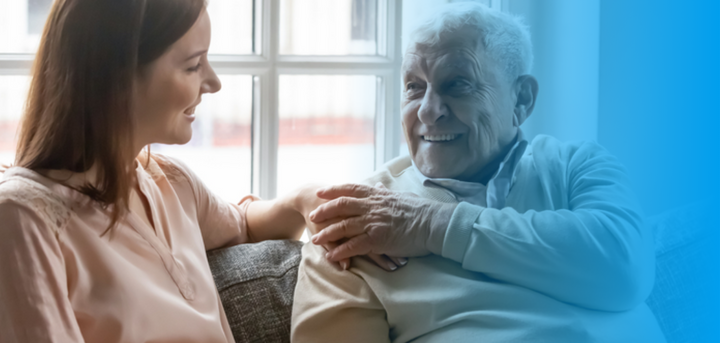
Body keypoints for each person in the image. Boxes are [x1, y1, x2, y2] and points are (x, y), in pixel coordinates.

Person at [291, 3, 666, 342]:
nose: (427, 111)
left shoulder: (577, 165)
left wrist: (431, 225)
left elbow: (625, 269)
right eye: (413, 87)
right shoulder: (358, 225)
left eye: (457, 84)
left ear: (522, 99)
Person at [0, 0, 325, 342]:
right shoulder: (23, 218)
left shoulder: (171, 183)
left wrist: (305, 198)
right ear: (117, 76)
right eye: (193, 66)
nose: (213, 82)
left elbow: (243, 226)